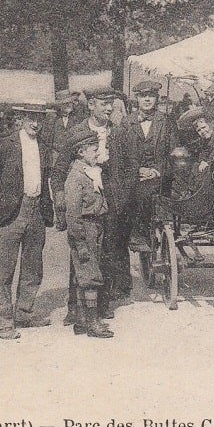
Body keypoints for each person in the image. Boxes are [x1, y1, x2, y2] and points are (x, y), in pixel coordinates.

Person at [0, 105, 55, 340]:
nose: (36, 124)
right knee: (5, 271)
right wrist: (3, 207)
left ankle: (24, 314)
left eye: (40, 119)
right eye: (31, 119)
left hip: (37, 212)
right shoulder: (6, 145)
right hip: (12, 213)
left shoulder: (43, 147)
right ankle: (4, 323)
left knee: (33, 267)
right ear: (22, 119)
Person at [52, 87, 121, 323]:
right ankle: (75, 308)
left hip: (110, 202)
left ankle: (101, 304)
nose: (109, 108)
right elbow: (59, 169)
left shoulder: (117, 131)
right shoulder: (76, 132)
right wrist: (60, 199)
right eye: (104, 104)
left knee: (107, 252)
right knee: (81, 254)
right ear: (91, 105)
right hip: (84, 202)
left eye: (111, 104)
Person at [113, 81, 173, 272]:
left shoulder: (167, 122)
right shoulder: (125, 123)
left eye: (151, 96)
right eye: (142, 96)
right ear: (136, 99)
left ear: (157, 99)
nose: (147, 99)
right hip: (134, 175)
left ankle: (146, 234)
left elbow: (173, 153)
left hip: (160, 176)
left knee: (151, 190)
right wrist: (138, 170)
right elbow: (119, 155)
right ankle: (136, 235)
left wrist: (157, 170)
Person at [63, 130, 113, 339]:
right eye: (94, 150)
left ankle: (82, 320)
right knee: (90, 276)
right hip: (85, 231)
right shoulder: (76, 177)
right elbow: (73, 216)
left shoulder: (89, 172)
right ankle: (93, 323)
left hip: (94, 228)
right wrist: (80, 243)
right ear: (81, 152)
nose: (97, 153)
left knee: (84, 275)